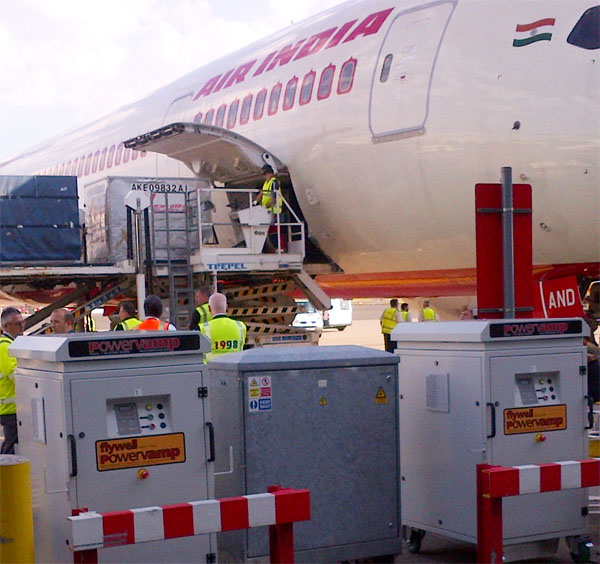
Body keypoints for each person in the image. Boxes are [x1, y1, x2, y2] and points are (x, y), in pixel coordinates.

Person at [0, 307, 24, 454]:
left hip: (14, 408)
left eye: (22, 322)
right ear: (5, 326)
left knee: (11, 444)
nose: (22, 326)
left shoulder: (12, 344)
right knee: (11, 447)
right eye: (18, 324)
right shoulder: (4, 346)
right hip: (10, 409)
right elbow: (15, 375)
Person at [200, 293, 246, 362]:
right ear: (227, 307)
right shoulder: (241, 326)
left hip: (211, 370)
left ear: (209, 308)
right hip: (235, 369)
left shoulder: (202, 328)